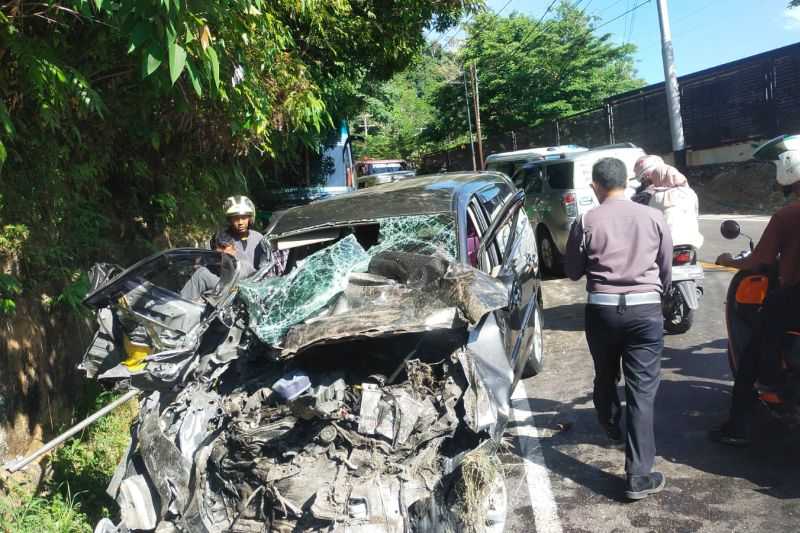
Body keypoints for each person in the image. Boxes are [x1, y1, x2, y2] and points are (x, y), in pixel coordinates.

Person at [565, 157, 673, 501]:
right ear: (626, 182)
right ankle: (639, 476)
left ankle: (610, 420)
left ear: (595, 186)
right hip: (646, 311)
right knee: (642, 391)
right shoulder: (654, 217)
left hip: (603, 311)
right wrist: (659, 298)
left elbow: (571, 271)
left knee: (605, 372)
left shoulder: (586, 219)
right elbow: (666, 267)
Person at [711, 149, 800, 447]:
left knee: (751, 351)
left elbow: (759, 258)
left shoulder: (788, 215)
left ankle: (737, 427)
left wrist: (727, 261)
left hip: (793, 299)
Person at [637, 163, 704, 249]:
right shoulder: (690, 193)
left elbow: (651, 222)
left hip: (668, 243)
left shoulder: (656, 196)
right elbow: (696, 214)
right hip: (693, 241)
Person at [182, 231, 253, 302]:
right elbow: (184, 304)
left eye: (224, 248)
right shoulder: (203, 275)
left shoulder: (246, 269)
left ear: (234, 249)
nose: (223, 256)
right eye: (218, 254)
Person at [220, 195, 264, 271]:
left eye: (244, 218)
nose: (240, 222)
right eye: (236, 218)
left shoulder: (259, 238)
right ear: (229, 220)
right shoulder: (221, 239)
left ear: (250, 218)